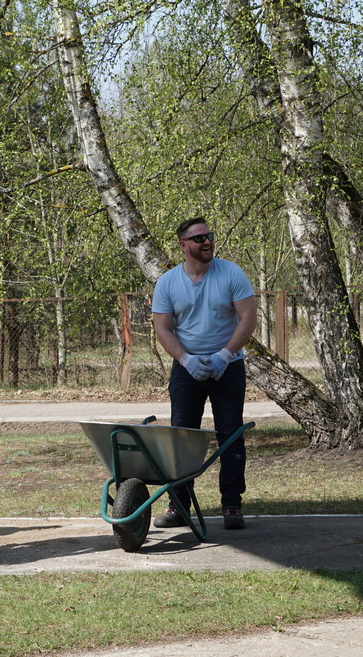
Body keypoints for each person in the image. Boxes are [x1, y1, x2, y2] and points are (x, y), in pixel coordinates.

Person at [151, 217, 257, 530]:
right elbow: (163, 328)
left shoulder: (231, 273)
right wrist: (185, 359)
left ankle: (232, 506)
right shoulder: (168, 282)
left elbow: (248, 317)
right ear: (184, 246)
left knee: (230, 435)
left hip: (228, 367)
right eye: (198, 239)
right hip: (187, 370)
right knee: (182, 438)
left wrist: (226, 354)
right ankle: (178, 506)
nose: (207, 242)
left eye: (209, 236)